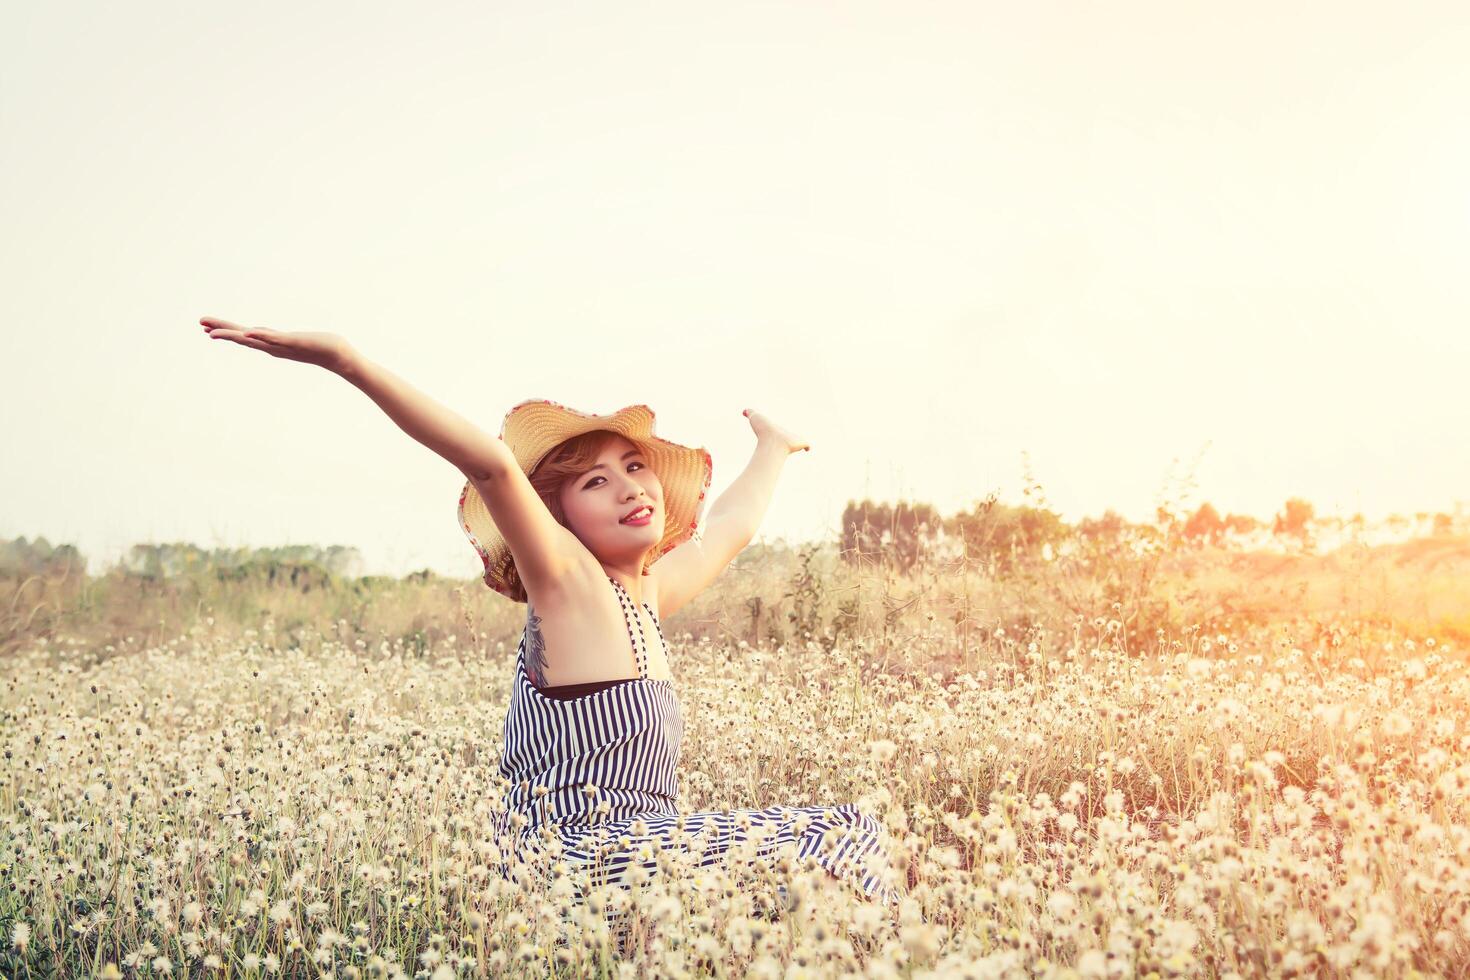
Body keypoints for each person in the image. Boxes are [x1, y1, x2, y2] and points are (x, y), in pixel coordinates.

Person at [199, 317, 904, 926]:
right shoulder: (568, 585)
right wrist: (345, 360)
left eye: (634, 466)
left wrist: (772, 448)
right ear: (557, 520)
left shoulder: (646, 598)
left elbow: (729, 529)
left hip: (633, 854)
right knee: (847, 831)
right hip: (572, 861)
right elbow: (494, 468)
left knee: (815, 877)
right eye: (596, 481)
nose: (630, 484)